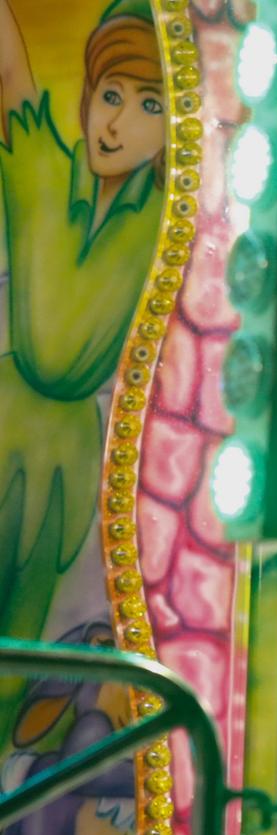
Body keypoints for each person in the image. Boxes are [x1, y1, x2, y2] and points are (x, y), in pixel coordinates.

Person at [0, 0, 166, 736]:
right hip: (8, 408)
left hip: (75, 452)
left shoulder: (166, 224)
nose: (115, 123)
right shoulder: (42, 166)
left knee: (30, 620)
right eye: (109, 95)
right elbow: (13, 74)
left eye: (147, 105)